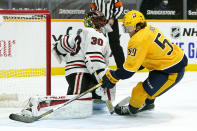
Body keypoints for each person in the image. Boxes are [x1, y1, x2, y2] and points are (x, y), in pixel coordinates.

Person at [15, 10, 114, 119]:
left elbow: (61, 45)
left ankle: (93, 98)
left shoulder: (81, 32)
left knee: (89, 99)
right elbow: (93, 57)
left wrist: (59, 48)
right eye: (99, 21)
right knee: (75, 103)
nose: (102, 24)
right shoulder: (96, 34)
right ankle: (38, 104)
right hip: (80, 71)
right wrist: (102, 77)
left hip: (80, 72)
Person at [99, 10, 188, 115]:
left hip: (171, 72)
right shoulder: (148, 28)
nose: (128, 32)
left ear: (138, 26)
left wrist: (112, 77)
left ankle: (132, 109)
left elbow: (128, 71)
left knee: (139, 92)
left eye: (130, 28)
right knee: (150, 87)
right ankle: (149, 102)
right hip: (167, 64)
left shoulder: (137, 40)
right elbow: (147, 54)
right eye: (126, 28)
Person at [90, 0, 125, 68]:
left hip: (111, 22)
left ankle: (121, 67)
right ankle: (99, 67)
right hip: (99, 23)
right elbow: (92, 8)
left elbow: (120, 8)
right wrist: (94, 19)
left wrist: (113, 18)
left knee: (115, 44)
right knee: (98, 44)